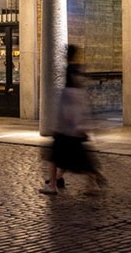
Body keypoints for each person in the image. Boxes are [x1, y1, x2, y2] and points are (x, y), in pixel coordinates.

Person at [40, 61, 105, 195]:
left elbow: (66, 113)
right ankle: (92, 183)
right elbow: (84, 111)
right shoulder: (80, 92)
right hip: (76, 132)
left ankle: (53, 185)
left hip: (66, 132)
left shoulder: (67, 92)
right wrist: (85, 128)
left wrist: (60, 126)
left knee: (55, 158)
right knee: (81, 161)